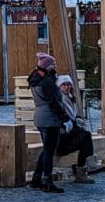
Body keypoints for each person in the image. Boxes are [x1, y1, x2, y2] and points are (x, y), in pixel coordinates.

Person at [26, 51, 68, 192]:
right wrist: (64, 118)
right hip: (50, 119)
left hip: (40, 118)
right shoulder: (47, 81)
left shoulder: (34, 79)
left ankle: (36, 179)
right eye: (53, 64)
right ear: (48, 66)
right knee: (49, 151)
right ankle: (48, 181)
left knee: (46, 150)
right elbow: (53, 102)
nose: (55, 66)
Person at [54, 74, 96, 183]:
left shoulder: (70, 98)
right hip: (61, 139)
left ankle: (83, 169)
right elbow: (63, 119)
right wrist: (76, 124)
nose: (67, 87)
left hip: (68, 135)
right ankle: (87, 164)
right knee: (85, 135)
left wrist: (77, 119)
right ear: (59, 86)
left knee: (85, 138)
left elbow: (72, 116)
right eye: (64, 85)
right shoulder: (60, 100)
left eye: (69, 85)